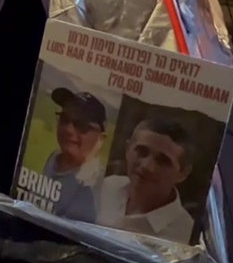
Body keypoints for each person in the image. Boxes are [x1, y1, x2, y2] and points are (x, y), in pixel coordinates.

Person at [96, 118, 197, 244]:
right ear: (128, 149)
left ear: (182, 174)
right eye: (142, 152)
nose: (146, 166)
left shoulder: (185, 236)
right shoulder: (106, 187)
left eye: (163, 161)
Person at [41, 87, 107, 223]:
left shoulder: (98, 187)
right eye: (64, 119)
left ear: (101, 139)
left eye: (81, 125)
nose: (68, 129)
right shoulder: (54, 156)